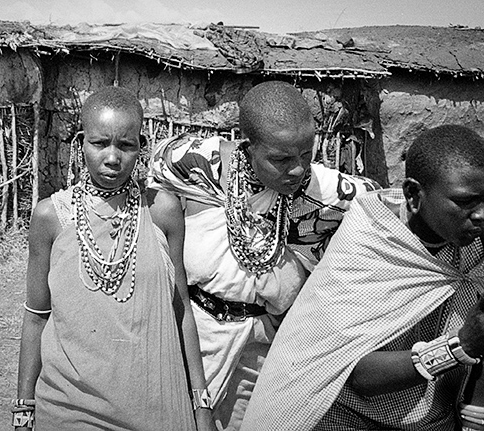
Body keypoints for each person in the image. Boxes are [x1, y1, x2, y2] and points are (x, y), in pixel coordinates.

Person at [241, 125, 484, 431]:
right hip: (344, 416)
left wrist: (476, 420)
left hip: (433, 421)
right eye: (465, 202)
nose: (482, 215)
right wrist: (458, 347)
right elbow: (360, 377)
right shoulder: (373, 236)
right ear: (413, 194)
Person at [149, 81, 379, 430]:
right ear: (249, 145)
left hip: (258, 346)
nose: (298, 169)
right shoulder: (196, 168)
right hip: (191, 334)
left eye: (307, 153)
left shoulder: (325, 191)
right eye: (282, 159)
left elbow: (385, 207)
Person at [16, 86, 212, 431]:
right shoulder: (51, 217)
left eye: (125, 145)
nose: (112, 157)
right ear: (80, 142)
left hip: (155, 405)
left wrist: (201, 403)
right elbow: (36, 318)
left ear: (141, 146)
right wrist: (23, 408)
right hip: (69, 406)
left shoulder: (161, 210)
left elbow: (180, 307)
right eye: (99, 143)